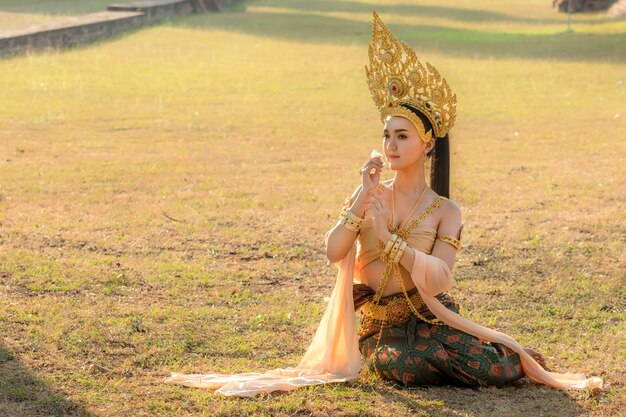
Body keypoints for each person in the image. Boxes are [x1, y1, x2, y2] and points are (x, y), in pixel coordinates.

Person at [163, 11, 603, 396]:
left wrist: (395, 244)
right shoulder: (371, 194)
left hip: (431, 315)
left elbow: (439, 278)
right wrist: (359, 196)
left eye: (402, 135)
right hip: (381, 325)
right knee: (400, 364)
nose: (391, 144)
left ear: (427, 144)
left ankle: (485, 355)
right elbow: (333, 252)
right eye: (386, 135)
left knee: (498, 362)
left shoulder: (446, 210)